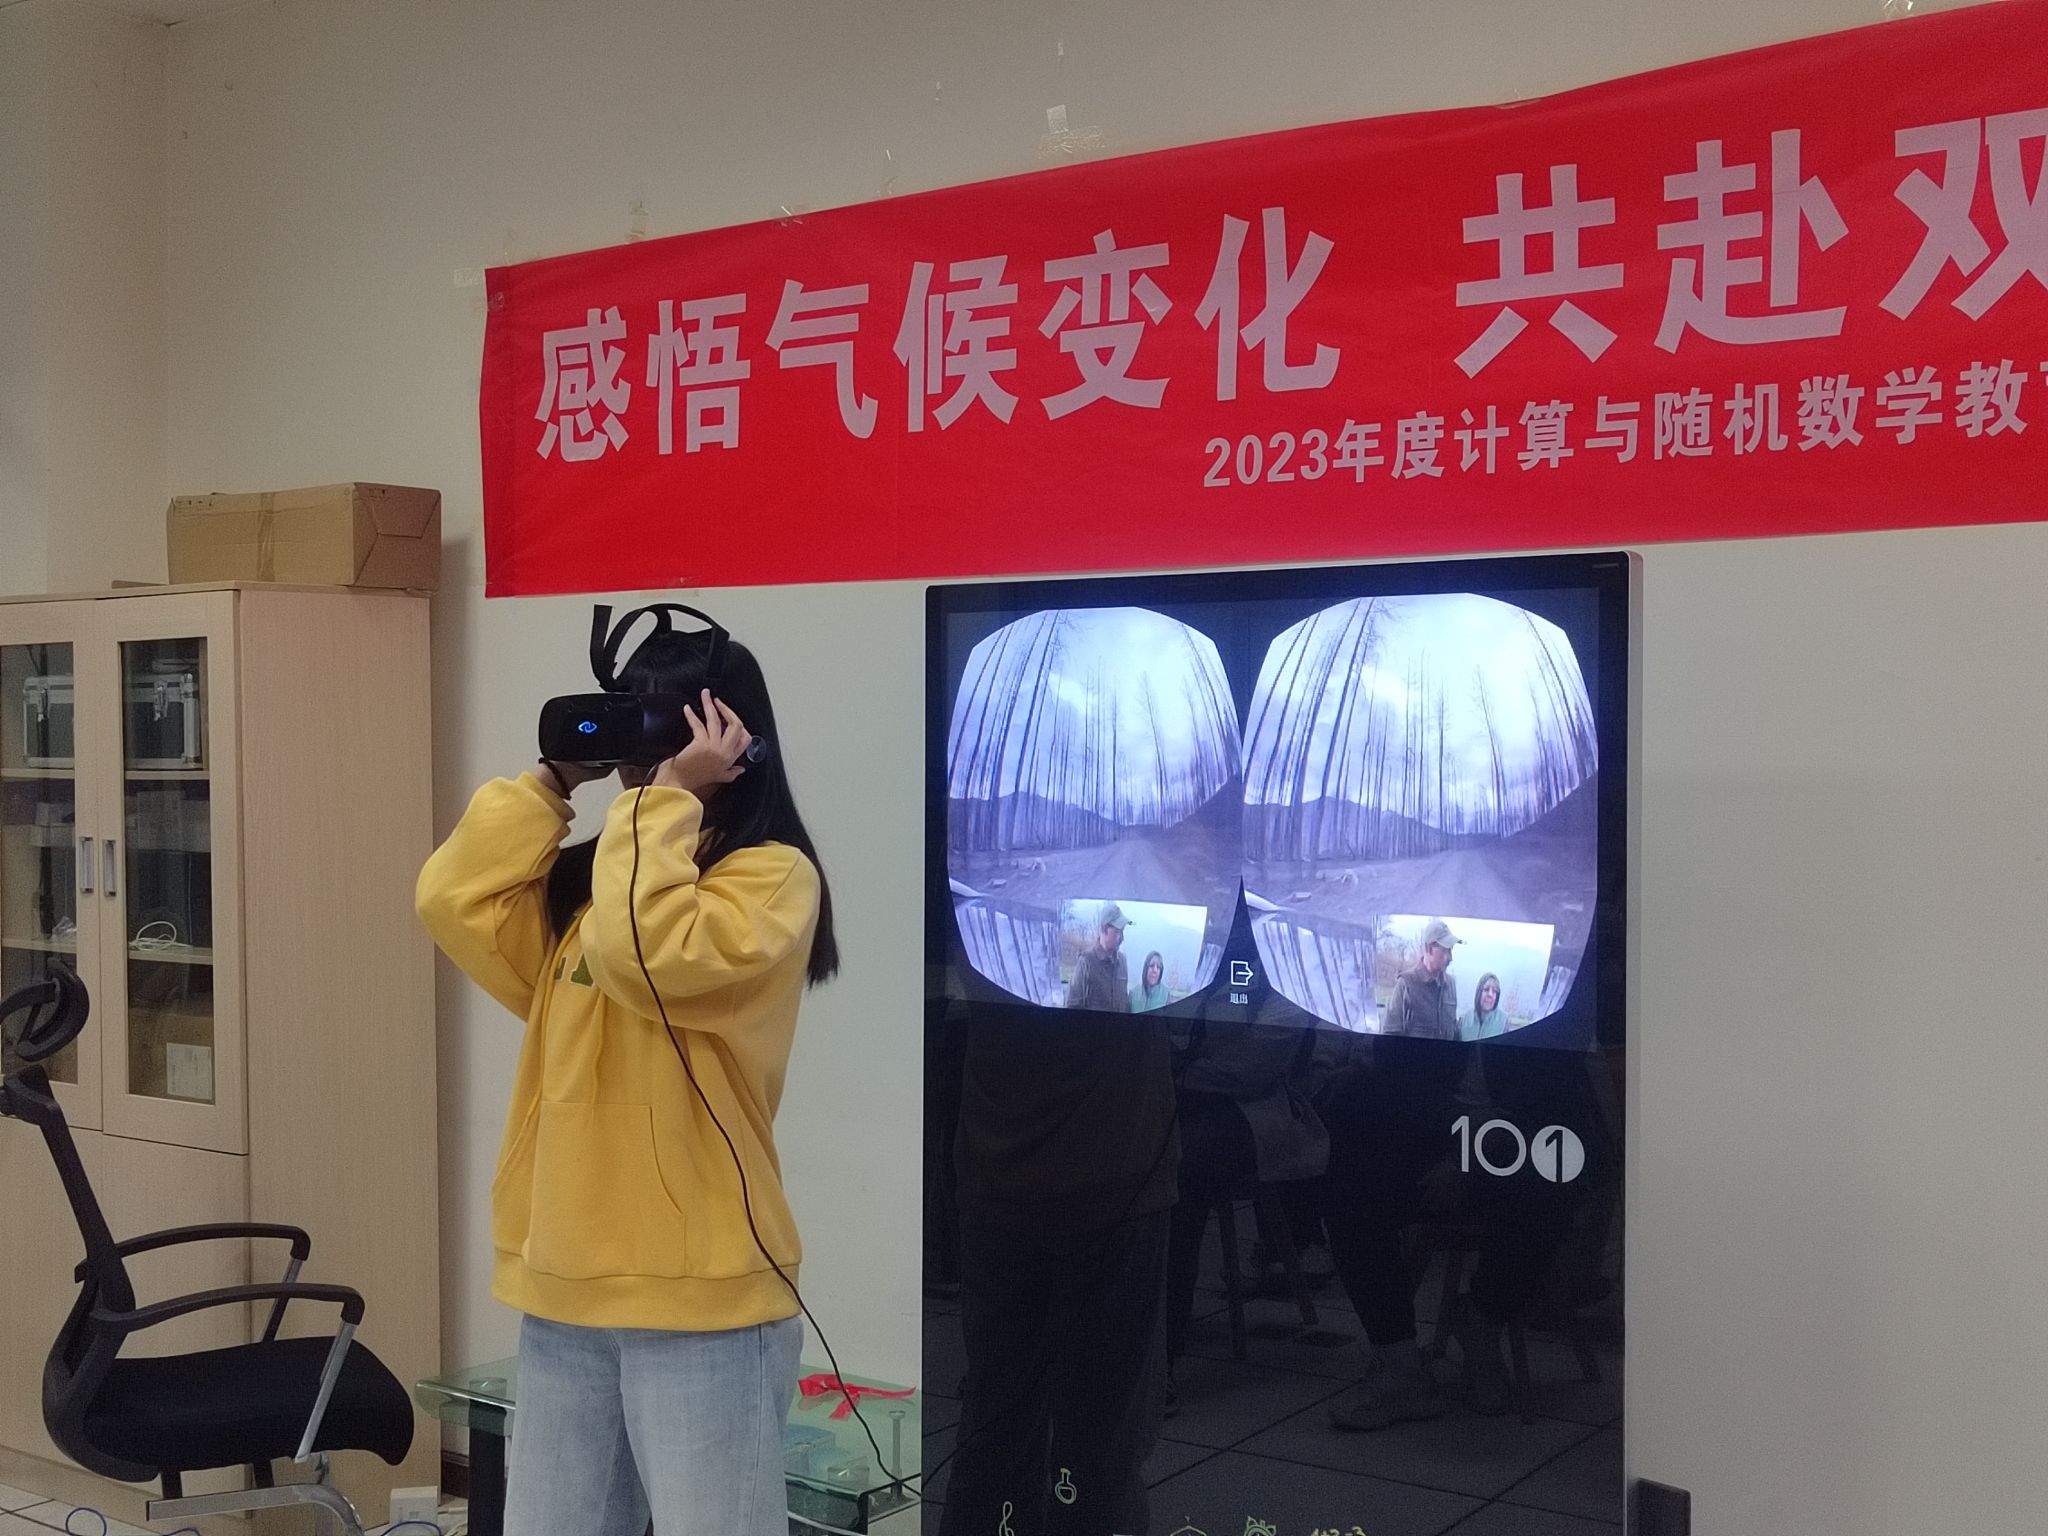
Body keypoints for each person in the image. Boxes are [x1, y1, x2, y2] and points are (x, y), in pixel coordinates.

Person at [416, 625, 838, 1536]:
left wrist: (668, 800)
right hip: (565, 1285)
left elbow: (651, 958)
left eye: (660, 727)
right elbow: (452, 898)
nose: (640, 757)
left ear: (729, 736)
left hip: (701, 1299)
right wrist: (552, 782)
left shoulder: (770, 879)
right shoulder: (600, 892)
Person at [1380, 918, 1461, 1040]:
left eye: (1451, 950)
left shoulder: (1451, 985)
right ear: (1429, 948)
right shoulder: (1406, 985)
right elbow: (1389, 1037)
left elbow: (1454, 1032)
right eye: (1445, 950)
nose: (1450, 958)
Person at [1063, 901, 1133, 1012]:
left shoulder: (1122, 961)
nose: (1122, 938)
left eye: (1122, 932)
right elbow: (1072, 1006)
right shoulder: (1086, 962)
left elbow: (1125, 1001)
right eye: (1118, 932)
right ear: (1105, 929)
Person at [1460, 972, 1508, 1042]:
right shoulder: (1465, 1019)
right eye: (1486, 989)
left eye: (1494, 991)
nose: (1490, 995)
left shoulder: (1504, 1021)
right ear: (1478, 993)